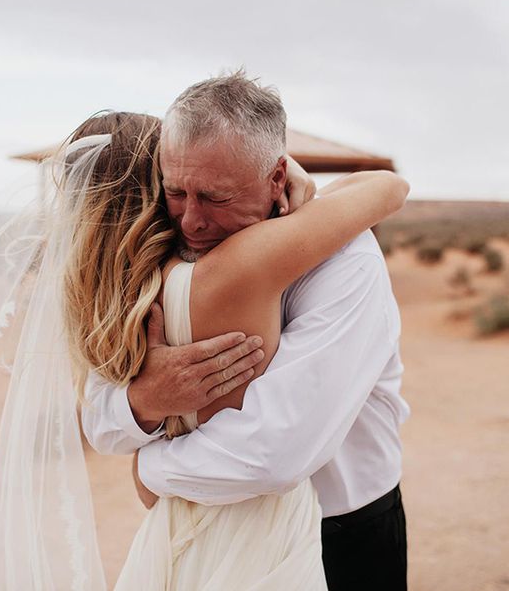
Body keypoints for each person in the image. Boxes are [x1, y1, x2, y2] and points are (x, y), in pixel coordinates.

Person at [79, 75, 410, 589]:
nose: (192, 220)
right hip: (203, 534)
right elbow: (98, 415)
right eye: (176, 192)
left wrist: (150, 470)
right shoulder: (165, 257)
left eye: (215, 197)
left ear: (277, 177)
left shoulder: (348, 262)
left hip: (341, 530)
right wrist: (143, 400)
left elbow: (274, 452)